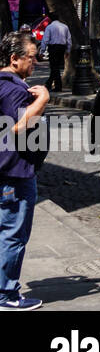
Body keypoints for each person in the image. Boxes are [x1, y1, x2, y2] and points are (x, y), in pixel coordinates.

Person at [0, 31, 48, 310]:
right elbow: (18, 127)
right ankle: (6, 296)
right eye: (32, 57)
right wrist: (42, 100)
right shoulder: (14, 89)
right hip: (14, 175)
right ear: (14, 58)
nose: (36, 62)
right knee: (13, 235)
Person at [39, 16, 70, 93]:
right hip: (62, 48)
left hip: (53, 48)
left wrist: (42, 51)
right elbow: (69, 39)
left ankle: (57, 86)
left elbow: (45, 39)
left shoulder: (49, 27)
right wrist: (68, 50)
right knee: (56, 67)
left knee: (54, 67)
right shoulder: (65, 27)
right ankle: (49, 84)